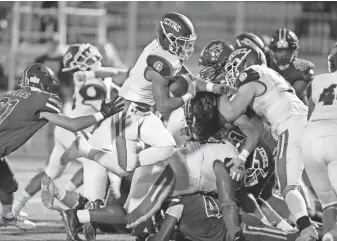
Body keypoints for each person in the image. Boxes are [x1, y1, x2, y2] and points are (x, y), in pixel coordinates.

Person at [60, 12, 227, 200]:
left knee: (166, 148)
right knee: (127, 167)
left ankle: (114, 167)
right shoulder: (157, 60)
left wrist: (214, 87)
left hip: (144, 113)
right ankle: (87, 152)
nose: (185, 47)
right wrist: (189, 94)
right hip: (128, 113)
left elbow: (189, 78)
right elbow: (164, 106)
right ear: (167, 38)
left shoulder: (165, 53)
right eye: (181, 42)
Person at [0, 63, 124, 230]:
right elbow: (72, 124)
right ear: (40, 82)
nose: (51, 86)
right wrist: (102, 114)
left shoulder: (10, 95)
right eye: (48, 82)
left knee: (8, 185)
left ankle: (8, 217)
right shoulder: (40, 100)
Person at [218, 45, 318, 241]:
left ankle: (307, 231)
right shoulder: (268, 75)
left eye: (232, 68)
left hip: (291, 127)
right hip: (305, 123)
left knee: (288, 187)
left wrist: (217, 88)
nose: (230, 74)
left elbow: (230, 113)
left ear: (243, 64)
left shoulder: (250, 75)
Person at [144, 193, 301, 241]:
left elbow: (161, 239)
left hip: (245, 230)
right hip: (239, 228)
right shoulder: (191, 201)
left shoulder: (176, 206)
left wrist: (148, 238)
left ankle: (321, 232)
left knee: (291, 238)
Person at [301, 42, 337, 241]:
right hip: (334, 136)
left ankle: (330, 236)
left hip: (311, 140)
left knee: (329, 204)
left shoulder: (318, 81)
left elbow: (310, 117)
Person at [268, 28, 315, 105]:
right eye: (279, 51)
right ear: (273, 51)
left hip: (296, 107)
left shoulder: (302, 68)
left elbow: (298, 94)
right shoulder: (267, 65)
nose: (282, 54)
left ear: (293, 50)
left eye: (286, 50)